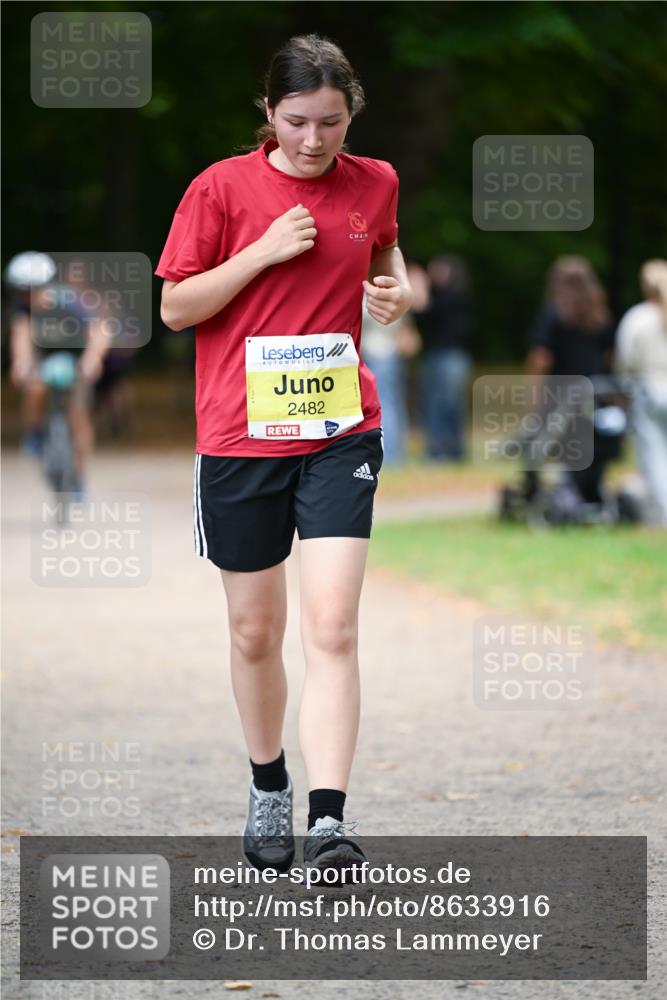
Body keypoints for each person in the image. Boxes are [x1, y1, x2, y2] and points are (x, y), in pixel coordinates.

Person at [156, 35, 413, 875]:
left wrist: (393, 287)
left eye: (331, 122)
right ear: (267, 114)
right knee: (255, 629)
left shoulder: (372, 180)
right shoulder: (219, 189)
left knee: (332, 628)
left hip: (341, 430)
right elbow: (175, 307)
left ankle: (328, 819)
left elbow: (381, 245)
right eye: (297, 121)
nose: (313, 140)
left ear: (352, 114)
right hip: (240, 436)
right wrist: (261, 250)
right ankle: (268, 783)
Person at [5, 251, 110, 494]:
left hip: (77, 360)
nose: (26, 296)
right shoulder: (24, 311)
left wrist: (93, 359)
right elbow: (21, 337)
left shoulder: (72, 302)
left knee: (79, 417)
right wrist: (21, 363)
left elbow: (100, 329)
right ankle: (35, 432)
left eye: (31, 289)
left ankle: (79, 477)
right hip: (45, 358)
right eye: (22, 291)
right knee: (34, 388)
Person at [525, 255, 615, 505]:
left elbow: (541, 357)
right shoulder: (600, 315)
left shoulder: (553, 313)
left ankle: (545, 494)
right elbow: (609, 357)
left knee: (541, 443)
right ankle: (584, 493)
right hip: (593, 396)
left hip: (559, 395)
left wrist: (535, 394)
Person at [614, 259, 667, 526]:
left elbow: (625, 361)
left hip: (650, 393)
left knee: (654, 456)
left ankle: (662, 515)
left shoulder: (639, 317)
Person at [412, 255, 474, 461]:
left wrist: (420, 294)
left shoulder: (454, 295)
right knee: (441, 403)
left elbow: (426, 313)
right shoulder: (445, 295)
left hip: (449, 357)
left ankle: (445, 450)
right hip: (441, 356)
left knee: (445, 404)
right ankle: (446, 449)